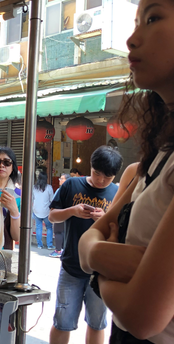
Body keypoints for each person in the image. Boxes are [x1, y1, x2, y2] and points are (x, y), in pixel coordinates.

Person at [79, 0, 174, 342]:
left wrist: (96, 266)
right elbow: (89, 240)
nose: (132, 40)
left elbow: (141, 315)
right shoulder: (156, 158)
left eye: (153, 18)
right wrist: (99, 254)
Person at [48, 145, 123, 344]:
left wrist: (105, 218)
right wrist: (72, 210)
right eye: (97, 174)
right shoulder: (71, 185)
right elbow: (52, 216)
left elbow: (121, 232)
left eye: (108, 177)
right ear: (90, 167)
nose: (101, 181)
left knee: (97, 323)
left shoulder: (118, 193)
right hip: (71, 267)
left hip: (101, 272)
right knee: (62, 321)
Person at [49, 173, 70, 258]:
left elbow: (54, 203)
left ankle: (58, 250)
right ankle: (63, 249)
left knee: (58, 232)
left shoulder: (60, 190)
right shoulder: (70, 190)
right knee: (63, 232)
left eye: (62, 178)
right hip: (67, 214)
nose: (60, 180)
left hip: (59, 213)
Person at [32, 171, 54, 250]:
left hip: (36, 210)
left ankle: (39, 245)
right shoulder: (49, 188)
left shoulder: (34, 187)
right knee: (49, 227)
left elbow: (32, 199)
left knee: (38, 228)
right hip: (46, 211)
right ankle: (49, 245)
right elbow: (52, 200)